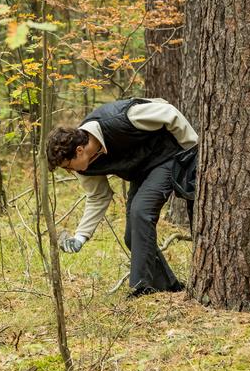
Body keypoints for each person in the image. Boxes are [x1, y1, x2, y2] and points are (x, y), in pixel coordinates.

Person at [46, 98, 198, 297]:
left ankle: (142, 287)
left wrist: (192, 151)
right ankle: (169, 287)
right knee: (132, 236)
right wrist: (80, 237)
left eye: (67, 166)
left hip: (167, 157)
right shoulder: (85, 167)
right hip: (141, 172)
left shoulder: (120, 119)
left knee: (141, 211)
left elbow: (168, 113)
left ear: (79, 151)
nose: (68, 171)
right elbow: (98, 196)